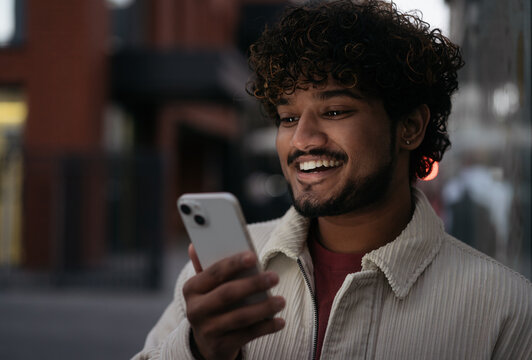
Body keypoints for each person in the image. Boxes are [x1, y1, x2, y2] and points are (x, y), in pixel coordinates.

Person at [133, 1, 532, 359]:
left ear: (410, 126)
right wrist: (199, 351)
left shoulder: (506, 309)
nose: (303, 139)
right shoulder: (216, 277)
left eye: (336, 111)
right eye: (288, 118)